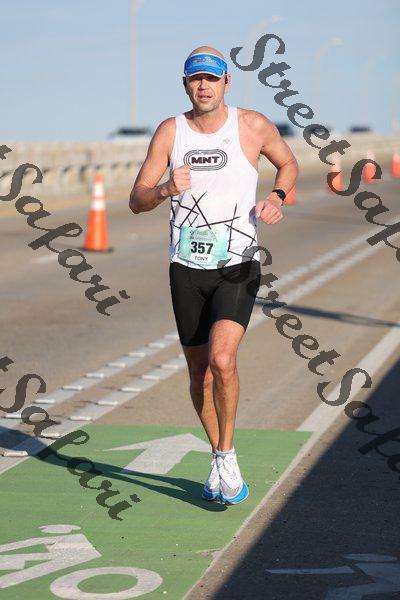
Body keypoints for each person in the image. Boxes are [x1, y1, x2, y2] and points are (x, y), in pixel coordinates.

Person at [129, 45, 298, 505]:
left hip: (237, 264)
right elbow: (136, 199)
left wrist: (277, 197)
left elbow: (288, 163)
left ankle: (226, 456)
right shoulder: (171, 131)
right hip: (186, 268)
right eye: (195, 78)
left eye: (211, 78)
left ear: (227, 83)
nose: (203, 86)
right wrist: (165, 188)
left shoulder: (252, 126)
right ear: (186, 84)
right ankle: (219, 454)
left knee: (223, 360)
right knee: (200, 374)